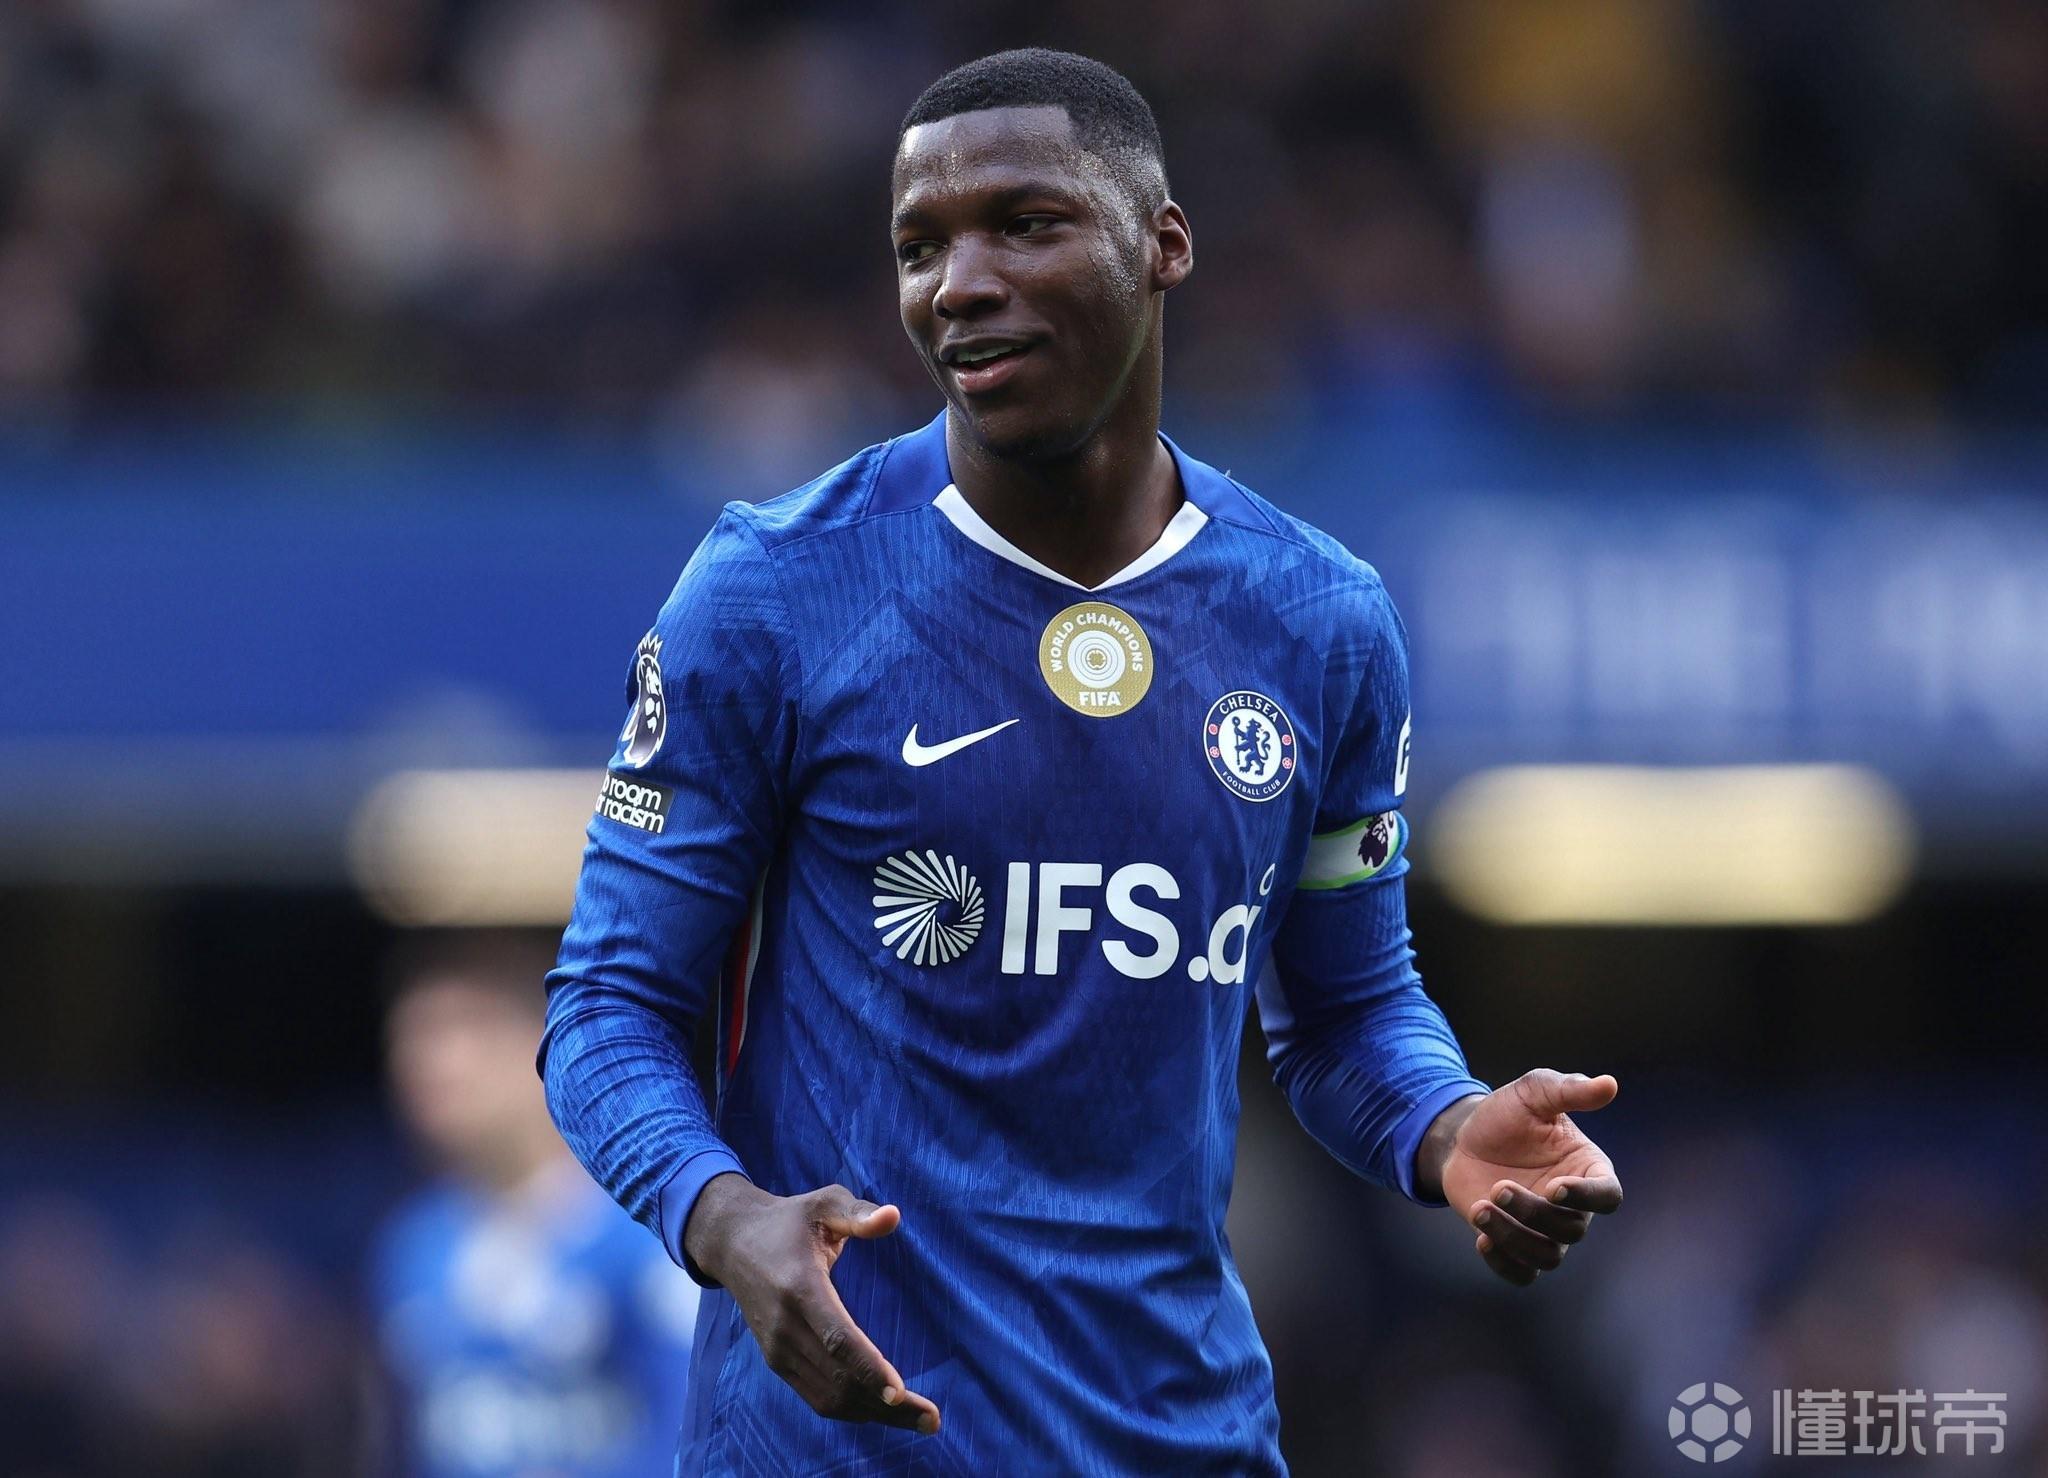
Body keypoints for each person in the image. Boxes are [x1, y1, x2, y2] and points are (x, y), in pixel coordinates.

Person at [541, 48, 1623, 1474]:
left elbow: (1347, 1008)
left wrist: (1446, 1122)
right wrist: (721, 1212)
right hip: (842, 1447)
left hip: (1182, 1437)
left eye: (1023, 224)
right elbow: (607, 1004)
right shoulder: (774, 590)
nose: (959, 283)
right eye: (920, 246)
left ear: (1163, 243)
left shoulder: (1316, 620)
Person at [373, 933, 700, 1477]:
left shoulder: (649, 1232)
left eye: (467, 1028)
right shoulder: (412, 1243)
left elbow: (689, 1429)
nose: (432, 1064)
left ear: (543, 1043)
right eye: (411, 1037)